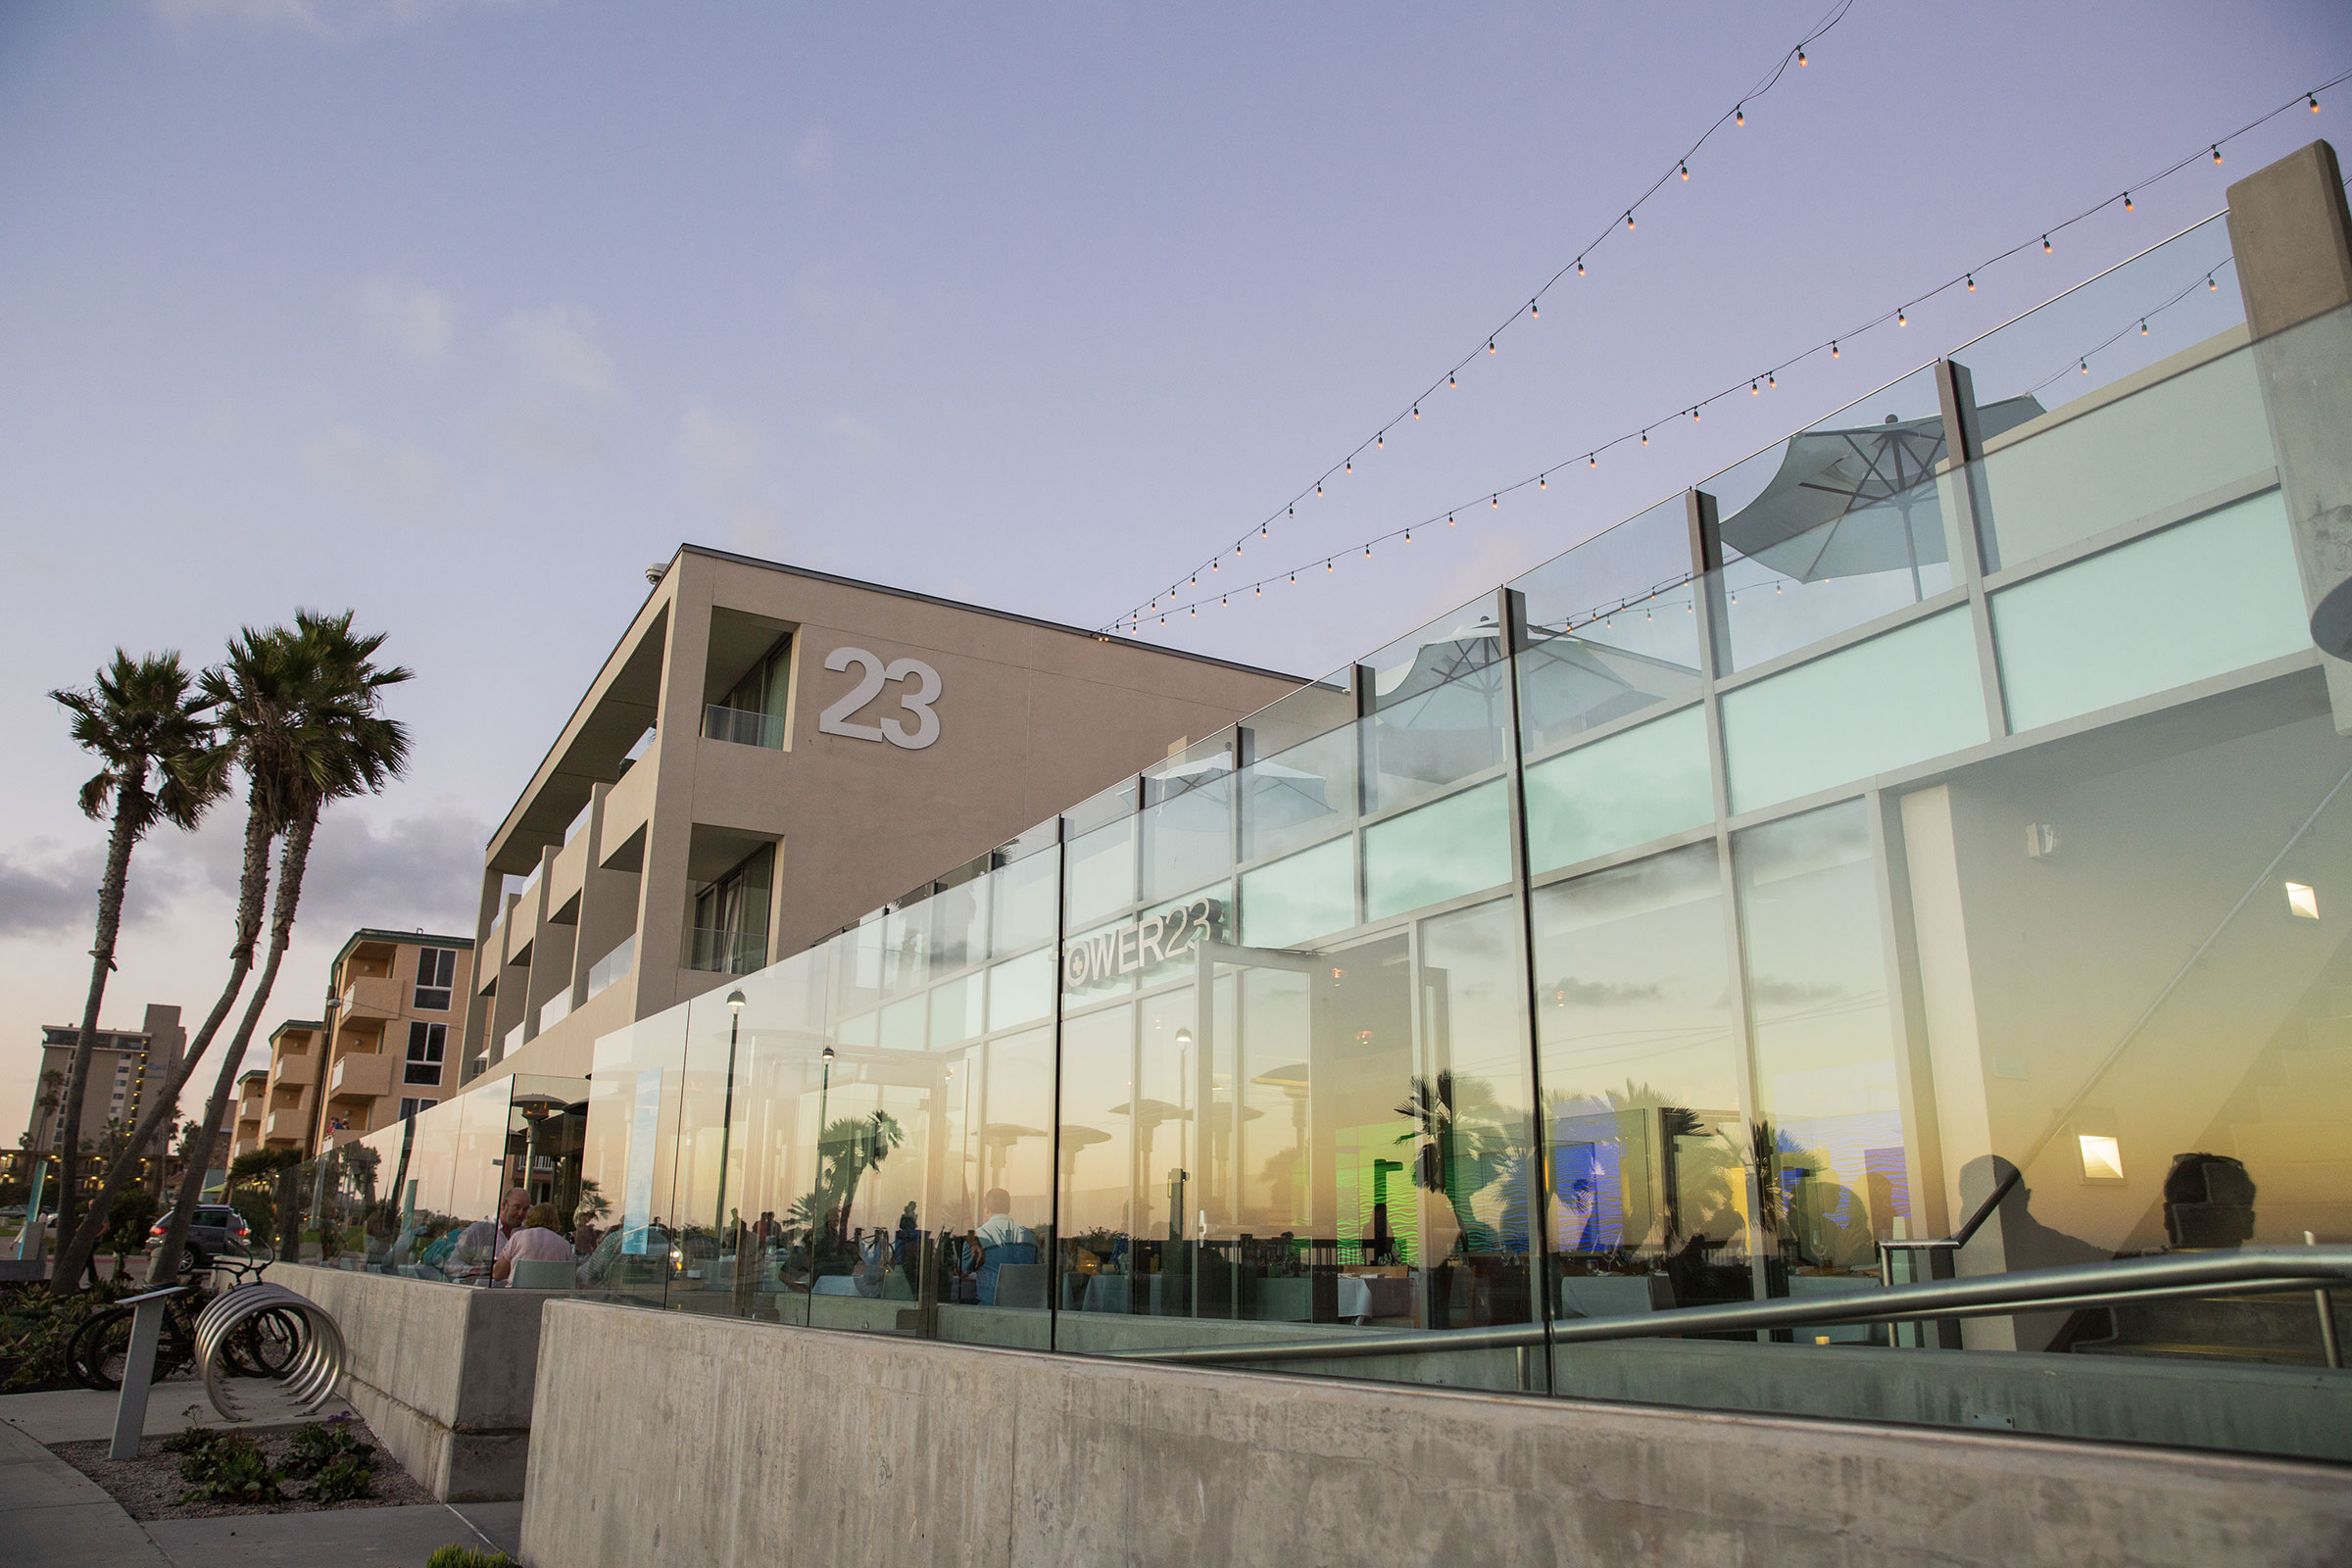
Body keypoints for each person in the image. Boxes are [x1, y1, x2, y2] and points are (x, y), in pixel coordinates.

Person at [966, 1188, 1038, 1306]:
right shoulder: (1028, 1236)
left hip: (990, 1309)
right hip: (1026, 1309)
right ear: (1008, 1208)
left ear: (987, 1208)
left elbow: (963, 1271)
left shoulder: (976, 1238)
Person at [453, 1189, 529, 1282]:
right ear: (504, 1205)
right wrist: (473, 1271)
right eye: (516, 1207)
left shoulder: (527, 1235)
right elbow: (453, 1262)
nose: (521, 1213)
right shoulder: (479, 1231)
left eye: (525, 1209)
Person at [494, 1201, 577, 1283]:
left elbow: (498, 1274)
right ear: (556, 1220)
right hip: (551, 1295)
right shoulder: (565, 1245)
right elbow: (570, 1278)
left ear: (531, 1216)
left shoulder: (518, 1237)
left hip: (518, 1293)